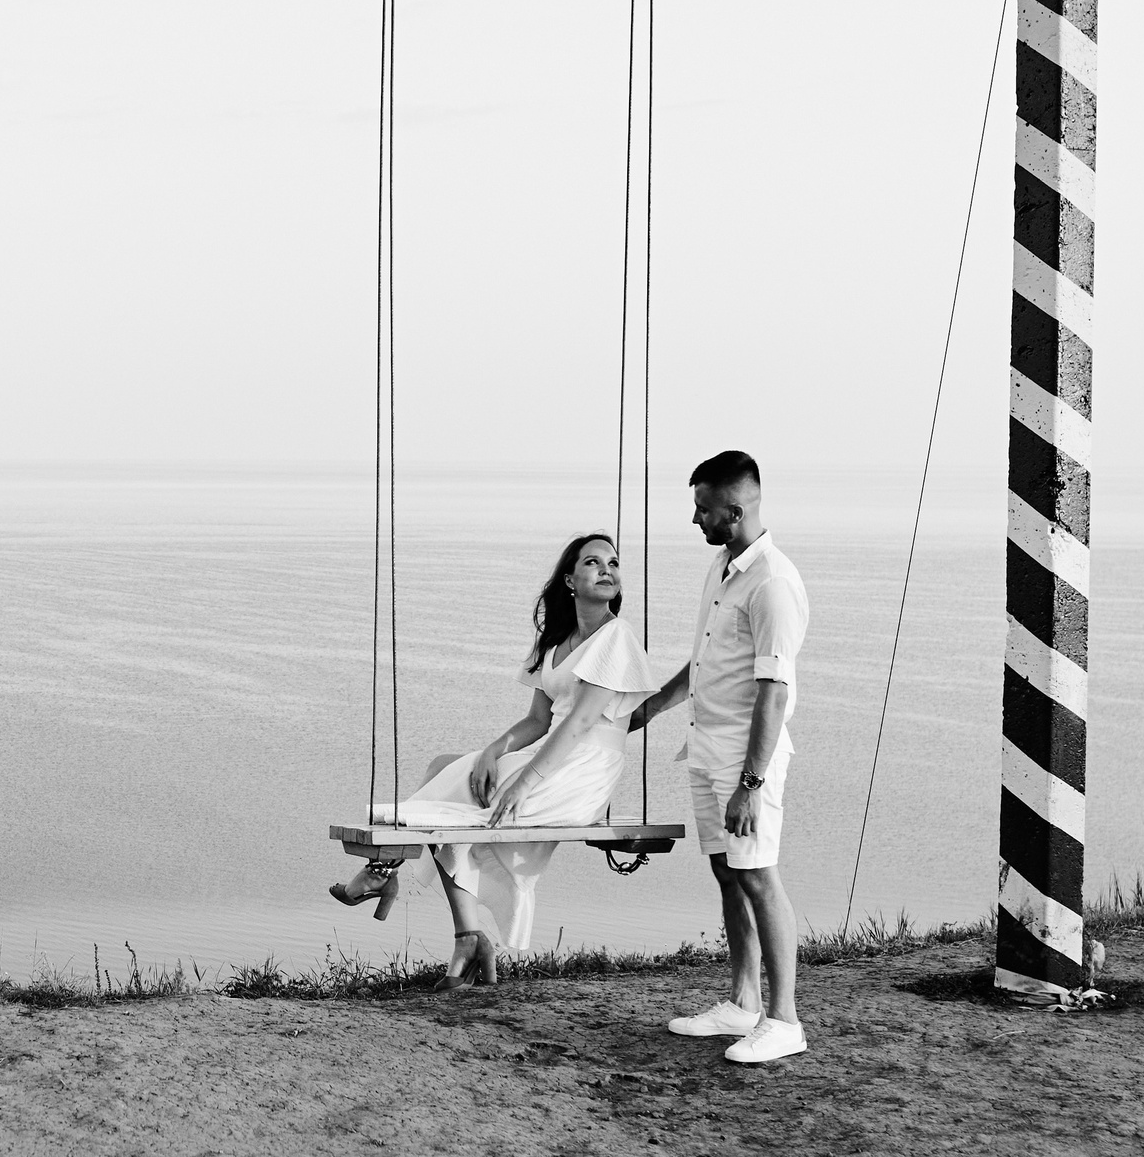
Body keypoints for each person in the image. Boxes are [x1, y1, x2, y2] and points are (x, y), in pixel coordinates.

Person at [330, 532, 662, 988]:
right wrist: (493, 751)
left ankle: (384, 871)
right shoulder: (555, 643)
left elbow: (580, 723)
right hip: (549, 754)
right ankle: (463, 932)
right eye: (593, 562)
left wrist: (524, 778)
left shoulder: (617, 637)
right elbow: (537, 721)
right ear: (569, 580)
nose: (607, 569)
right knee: (447, 769)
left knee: (461, 796)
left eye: (613, 563)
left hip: (583, 769)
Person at [631, 450, 812, 1064]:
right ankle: (741, 1003)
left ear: (735, 510)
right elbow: (707, 662)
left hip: (746, 757)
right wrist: (653, 706)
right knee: (727, 874)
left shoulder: (774, 585)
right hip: (706, 746)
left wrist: (751, 784)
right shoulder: (723, 566)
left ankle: (785, 1020)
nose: (695, 520)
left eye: (703, 509)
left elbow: (774, 690)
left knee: (759, 876)